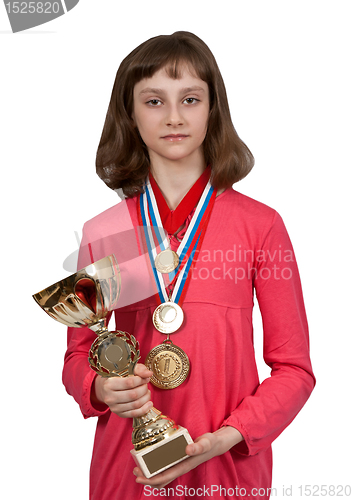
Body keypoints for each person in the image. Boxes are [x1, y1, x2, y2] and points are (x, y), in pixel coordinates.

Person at [62, 31, 315, 499]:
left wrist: (228, 437)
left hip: (228, 467)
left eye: (191, 99)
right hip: (128, 468)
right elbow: (79, 355)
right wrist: (99, 388)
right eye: (154, 101)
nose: (174, 117)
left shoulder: (261, 226)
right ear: (130, 114)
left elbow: (295, 370)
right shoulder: (105, 231)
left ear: (212, 109)